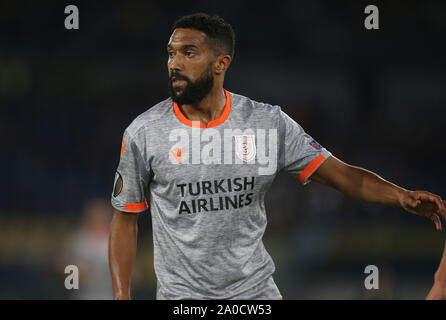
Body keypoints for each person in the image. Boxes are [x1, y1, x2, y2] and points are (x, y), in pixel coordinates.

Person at [108, 12, 446, 300]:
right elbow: (124, 221)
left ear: (221, 63)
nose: (175, 63)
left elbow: (341, 175)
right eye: (171, 54)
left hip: (255, 296)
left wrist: (399, 195)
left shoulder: (267, 123)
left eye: (188, 53)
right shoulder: (145, 132)